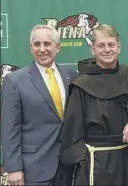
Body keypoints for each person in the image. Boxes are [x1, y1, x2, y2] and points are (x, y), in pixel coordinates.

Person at [57, 24, 128, 185]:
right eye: (101, 45)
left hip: (126, 157)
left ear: (118, 47)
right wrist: (82, 160)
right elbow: (73, 128)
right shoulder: (82, 85)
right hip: (95, 161)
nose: (107, 50)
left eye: (111, 45)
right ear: (93, 49)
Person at [1, 25, 78, 185]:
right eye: (37, 44)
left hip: (66, 168)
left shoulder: (71, 76)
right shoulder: (14, 81)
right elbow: (10, 129)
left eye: (47, 44)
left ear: (58, 47)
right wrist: (14, 168)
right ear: (31, 48)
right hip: (33, 169)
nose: (42, 49)